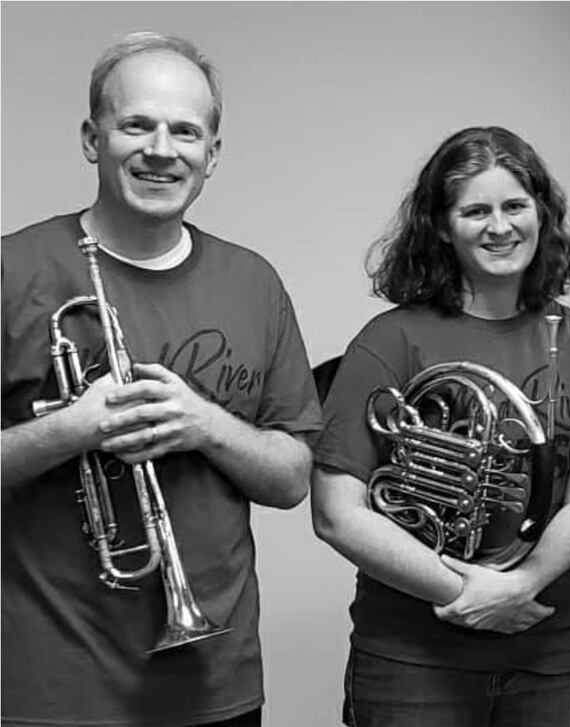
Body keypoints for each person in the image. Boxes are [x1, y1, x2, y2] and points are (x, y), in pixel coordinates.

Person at [1, 32, 321, 727]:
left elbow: (293, 477)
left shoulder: (254, 282)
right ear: (93, 138)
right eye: (136, 124)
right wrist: (73, 428)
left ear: (212, 153)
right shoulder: (11, 269)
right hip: (47, 685)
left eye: (185, 131)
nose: (160, 149)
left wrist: (204, 424)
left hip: (214, 682)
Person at [309, 126, 570, 727]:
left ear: (542, 215)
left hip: (545, 646)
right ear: (443, 226)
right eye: (476, 210)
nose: (499, 227)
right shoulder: (390, 340)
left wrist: (518, 585)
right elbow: (336, 510)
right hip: (412, 657)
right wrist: (465, 594)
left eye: (514, 207)